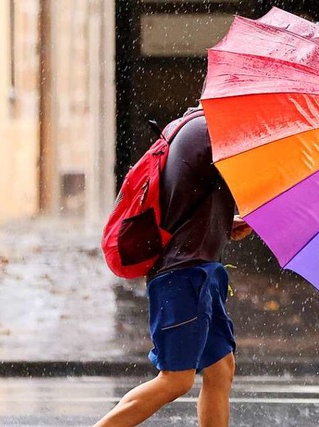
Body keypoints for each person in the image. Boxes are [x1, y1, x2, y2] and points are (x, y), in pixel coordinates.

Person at [93, 105, 253, 427]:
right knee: (176, 379)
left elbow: (185, 198)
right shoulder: (210, 134)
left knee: (221, 367)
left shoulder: (198, 128)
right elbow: (254, 180)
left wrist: (223, 223)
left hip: (199, 270)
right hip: (183, 274)